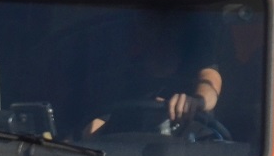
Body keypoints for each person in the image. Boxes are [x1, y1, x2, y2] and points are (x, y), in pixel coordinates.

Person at [86, 19, 223, 134]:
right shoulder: (125, 78)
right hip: (128, 155)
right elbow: (97, 124)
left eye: (166, 30)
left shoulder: (193, 71)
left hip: (197, 155)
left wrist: (197, 101)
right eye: (149, 28)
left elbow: (210, 82)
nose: (158, 35)